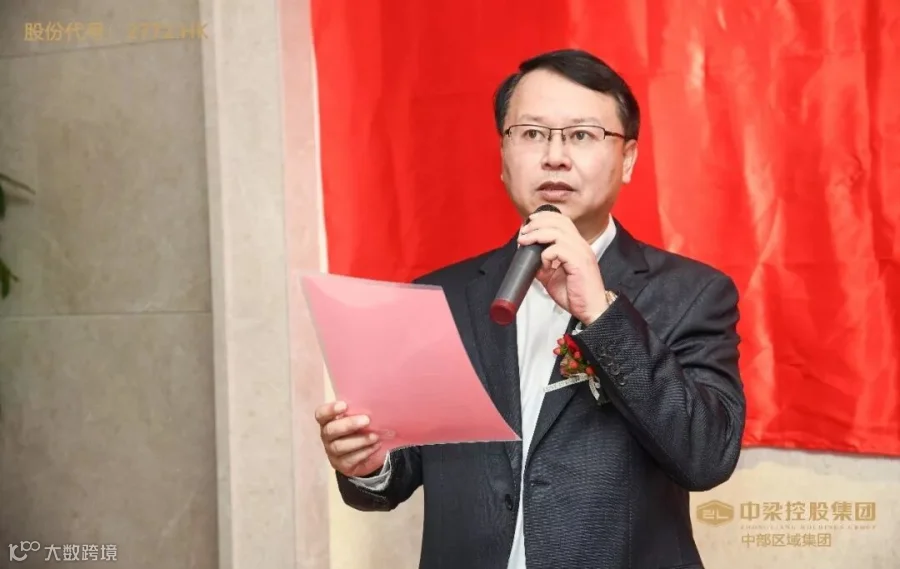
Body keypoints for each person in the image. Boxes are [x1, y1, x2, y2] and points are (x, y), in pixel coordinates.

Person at [314, 48, 745, 569]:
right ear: (503, 155)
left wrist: (603, 315)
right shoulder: (442, 297)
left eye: (582, 135)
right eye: (532, 133)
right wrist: (368, 463)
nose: (555, 156)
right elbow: (401, 471)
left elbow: (705, 457)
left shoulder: (691, 293)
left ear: (628, 158)